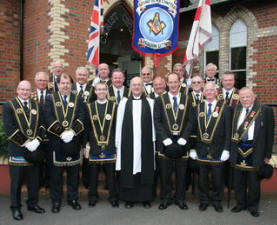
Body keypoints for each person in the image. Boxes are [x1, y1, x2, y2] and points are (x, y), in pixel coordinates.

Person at [3, 80, 46, 220]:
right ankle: (15, 208)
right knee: (16, 182)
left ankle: (32, 204)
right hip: (18, 150)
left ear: (30, 91)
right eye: (22, 89)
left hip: (34, 151)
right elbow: (9, 129)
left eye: (27, 90)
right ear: (17, 90)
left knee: (34, 180)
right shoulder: (10, 106)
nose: (25, 92)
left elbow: (42, 125)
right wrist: (26, 143)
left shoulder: (36, 105)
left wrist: (38, 140)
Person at [229, 87, 274, 217]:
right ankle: (240, 204)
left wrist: (267, 155)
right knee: (238, 180)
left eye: (248, 96)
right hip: (238, 149)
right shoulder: (234, 110)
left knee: (254, 181)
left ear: (254, 97)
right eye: (242, 97)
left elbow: (270, 134)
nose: (245, 99)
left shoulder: (265, 110)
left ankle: (253, 206)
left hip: (255, 150)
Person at [44, 73, 86, 213]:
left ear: (71, 85)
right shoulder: (50, 99)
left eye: (68, 83)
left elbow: (82, 117)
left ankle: (73, 198)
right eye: (63, 83)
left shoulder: (78, 99)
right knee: (56, 175)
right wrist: (62, 133)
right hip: (56, 142)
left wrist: (72, 132)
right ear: (58, 85)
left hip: (73, 142)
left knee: (74, 174)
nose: (65, 85)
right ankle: (56, 200)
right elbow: (48, 117)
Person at [189, 82, 231, 213]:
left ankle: (217, 201)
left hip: (218, 150)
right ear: (203, 92)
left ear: (216, 92)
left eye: (211, 90)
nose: (208, 92)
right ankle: (204, 200)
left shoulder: (224, 108)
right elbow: (193, 130)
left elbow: (228, 131)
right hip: (201, 150)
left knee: (218, 178)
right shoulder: (198, 107)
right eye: (206, 90)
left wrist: (226, 149)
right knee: (203, 179)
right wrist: (192, 148)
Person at [154, 73, 194, 210]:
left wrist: (184, 138)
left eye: (175, 82)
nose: (173, 84)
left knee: (181, 175)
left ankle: (180, 199)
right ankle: (166, 198)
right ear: (167, 84)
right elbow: (157, 121)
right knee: (165, 174)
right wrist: (165, 139)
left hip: (182, 143)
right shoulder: (160, 100)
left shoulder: (187, 99)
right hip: (165, 144)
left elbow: (190, 120)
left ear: (179, 83)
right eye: (170, 82)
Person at [115, 76, 156, 209]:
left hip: (146, 142)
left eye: (139, 85)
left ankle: (146, 198)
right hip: (128, 142)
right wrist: (117, 142)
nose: (137, 87)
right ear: (130, 87)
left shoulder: (150, 102)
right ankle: (129, 198)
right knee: (129, 167)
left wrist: (154, 141)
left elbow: (154, 125)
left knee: (145, 167)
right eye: (134, 85)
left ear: (142, 86)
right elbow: (119, 123)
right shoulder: (123, 103)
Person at [85, 82, 118, 208]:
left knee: (111, 174)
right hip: (94, 144)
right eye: (99, 89)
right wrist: (85, 145)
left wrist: (116, 144)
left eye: (104, 89)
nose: (101, 91)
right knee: (93, 174)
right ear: (95, 91)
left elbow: (116, 127)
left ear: (107, 91)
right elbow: (87, 128)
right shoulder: (89, 106)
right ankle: (93, 196)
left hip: (110, 143)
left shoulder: (114, 106)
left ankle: (113, 197)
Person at [31, 72, 51, 189]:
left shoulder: (53, 95)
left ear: (47, 82)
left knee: (49, 159)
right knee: (37, 158)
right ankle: (38, 182)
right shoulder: (30, 95)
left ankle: (48, 182)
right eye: (39, 80)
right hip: (35, 133)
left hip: (50, 133)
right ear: (35, 81)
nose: (42, 83)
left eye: (44, 80)